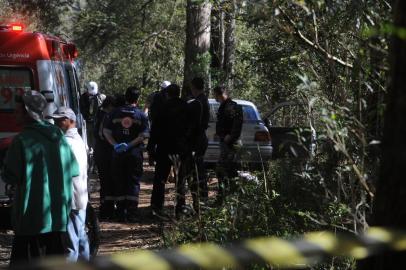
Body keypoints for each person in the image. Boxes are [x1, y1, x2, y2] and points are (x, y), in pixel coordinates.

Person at [2, 91, 79, 265]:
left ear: (27, 112)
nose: (14, 113)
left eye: (17, 110)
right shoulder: (59, 137)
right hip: (58, 220)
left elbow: (10, 176)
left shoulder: (22, 141)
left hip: (31, 222)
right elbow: (73, 169)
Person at [48, 107, 90, 262]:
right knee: (80, 237)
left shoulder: (66, 143)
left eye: (61, 120)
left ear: (71, 121)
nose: (57, 123)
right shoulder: (78, 139)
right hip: (80, 196)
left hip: (71, 197)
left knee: (71, 244)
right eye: (56, 120)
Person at [103, 86, 149, 222]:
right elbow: (144, 135)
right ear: (138, 98)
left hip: (117, 154)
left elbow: (106, 131)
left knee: (119, 180)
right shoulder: (141, 115)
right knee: (133, 181)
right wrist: (130, 145)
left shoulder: (114, 113)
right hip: (134, 154)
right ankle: (132, 213)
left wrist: (115, 145)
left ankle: (120, 212)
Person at [150, 84, 189, 217]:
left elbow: (154, 129)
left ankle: (156, 206)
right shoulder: (186, 107)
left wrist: (151, 148)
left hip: (164, 148)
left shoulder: (162, 108)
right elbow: (191, 128)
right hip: (181, 149)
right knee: (181, 178)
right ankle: (181, 206)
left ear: (167, 94)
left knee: (160, 178)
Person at [177, 77, 209, 216]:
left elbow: (194, 126)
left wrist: (186, 141)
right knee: (195, 174)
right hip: (198, 142)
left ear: (193, 87)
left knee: (190, 175)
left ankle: (195, 205)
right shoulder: (202, 101)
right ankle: (199, 204)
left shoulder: (198, 103)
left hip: (194, 144)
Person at [213, 86, 243, 201]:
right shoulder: (223, 106)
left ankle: (229, 198)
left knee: (227, 171)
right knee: (223, 170)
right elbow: (223, 122)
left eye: (215, 95)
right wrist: (219, 133)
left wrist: (230, 136)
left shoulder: (232, 106)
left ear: (220, 94)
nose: (215, 97)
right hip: (225, 143)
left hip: (231, 144)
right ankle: (224, 197)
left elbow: (237, 123)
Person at [94, 96, 116, 220]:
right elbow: (102, 134)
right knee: (108, 181)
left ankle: (106, 209)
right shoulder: (105, 116)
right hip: (105, 152)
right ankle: (107, 210)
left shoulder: (100, 113)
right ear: (110, 106)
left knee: (105, 181)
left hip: (101, 152)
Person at [146, 80, 170, 165]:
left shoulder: (165, 96)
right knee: (153, 140)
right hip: (157, 122)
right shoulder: (157, 96)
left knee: (153, 140)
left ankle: (153, 156)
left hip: (158, 122)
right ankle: (152, 157)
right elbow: (150, 107)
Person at [79, 81, 105, 149]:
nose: (91, 95)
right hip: (89, 123)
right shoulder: (83, 98)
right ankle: (91, 150)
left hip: (99, 123)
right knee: (90, 140)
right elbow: (82, 110)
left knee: (97, 140)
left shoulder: (101, 97)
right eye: (90, 94)